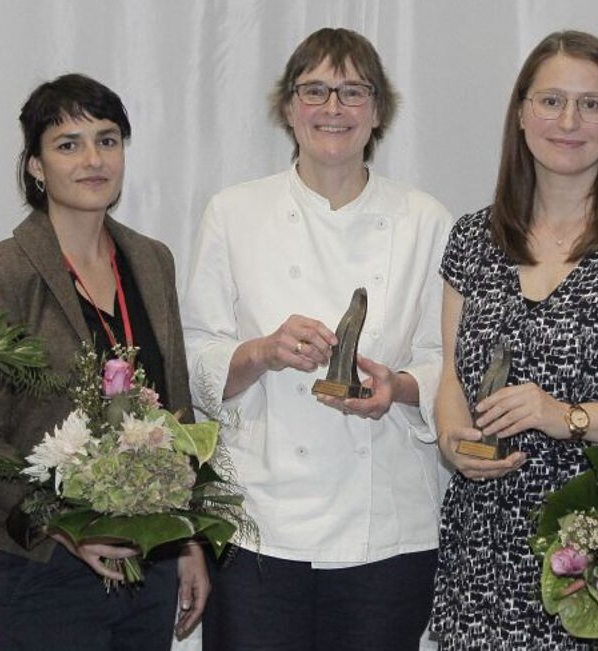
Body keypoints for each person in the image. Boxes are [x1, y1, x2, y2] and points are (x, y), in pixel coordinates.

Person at [430, 30, 598, 649]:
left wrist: (569, 417)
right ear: (522, 114)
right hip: (483, 545)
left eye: (591, 104)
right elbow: (452, 374)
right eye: (551, 101)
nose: (569, 120)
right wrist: (454, 444)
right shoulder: (473, 238)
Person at [182, 27, 452, 651]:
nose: (333, 108)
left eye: (353, 91)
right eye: (315, 91)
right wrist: (261, 352)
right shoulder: (233, 212)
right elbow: (195, 352)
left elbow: (446, 360)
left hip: (384, 527)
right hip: (258, 524)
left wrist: (399, 386)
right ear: (287, 107)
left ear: (379, 110)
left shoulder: (425, 219)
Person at [0, 73, 209, 651]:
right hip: (43, 562)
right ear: (36, 166)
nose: (93, 159)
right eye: (68, 144)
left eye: (108, 140)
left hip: (149, 554)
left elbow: (177, 408)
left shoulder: (151, 259)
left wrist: (187, 540)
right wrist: (65, 529)